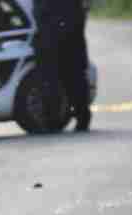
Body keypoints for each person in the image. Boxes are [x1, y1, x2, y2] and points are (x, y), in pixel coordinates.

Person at [34, 0, 92, 132]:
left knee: (54, 80)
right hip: (66, 29)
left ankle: (54, 121)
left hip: (55, 32)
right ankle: (79, 117)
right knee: (72, 79)